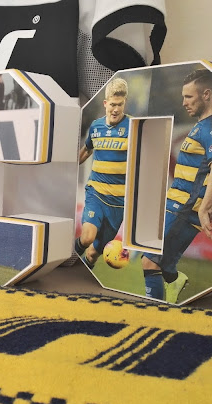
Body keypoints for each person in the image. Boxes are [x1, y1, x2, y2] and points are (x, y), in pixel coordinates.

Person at [142, 69, 212, 303]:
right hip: (177, 203)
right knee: (161, 263)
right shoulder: (201, 125)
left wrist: (204, 207)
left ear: (206, 94)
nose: (184, 102)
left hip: (185, 208)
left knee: (150, 261)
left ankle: (150, 314)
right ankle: (173, 280)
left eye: (189, 97)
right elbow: (204, 170)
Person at [74, 78, 130, 268]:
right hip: (96, 192)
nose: (116, 109)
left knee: (92, 254)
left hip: (118, 202)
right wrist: (68, 168)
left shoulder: (133, 127)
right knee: (87, 237)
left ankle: (80, 270)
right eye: (113, 104)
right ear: (105, 103)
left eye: (120, 105)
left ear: (124, 103)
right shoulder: (96, 126)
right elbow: (86, 150)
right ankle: (66, 259)